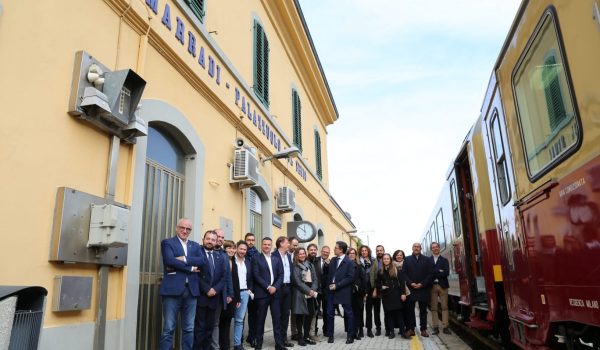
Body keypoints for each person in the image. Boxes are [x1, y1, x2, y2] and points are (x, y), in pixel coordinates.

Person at [158, 219, 203, 350]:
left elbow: (201, 261)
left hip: (191, 291)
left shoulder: (195, 245)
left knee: (189, 328)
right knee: (168, 328)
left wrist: (183, 259)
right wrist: (190, 268)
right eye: (182, 228)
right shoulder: (167, 243)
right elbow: (169, 260)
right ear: (177, 228)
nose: (185, 231)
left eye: (188, 229)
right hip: (172, 290)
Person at [194, 230, 229, 350]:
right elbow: (195, 275)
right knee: (199, 329)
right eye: (208, 239)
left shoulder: (219, 257)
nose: (210, 241)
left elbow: (224, 276)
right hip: (201, 297)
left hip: (214, 298)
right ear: (203, 239)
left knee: (209, 329)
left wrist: (215, 289)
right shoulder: (197, 254)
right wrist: (207, 289)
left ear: (216, 242)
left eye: (213, 240)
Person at [252, 237, 285, 350]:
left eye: (268, 244)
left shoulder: (276, 258)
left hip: (275, 294)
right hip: (262, 294)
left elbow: (281, 275)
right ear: (261, 245)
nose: (266, 246)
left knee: (277, 319)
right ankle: (259, 344)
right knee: (260, 319)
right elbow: (256, 275)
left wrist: (275, 287)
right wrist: (268, 286)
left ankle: (279, 344)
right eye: (264, 244)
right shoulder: (256, 258)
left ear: (271, 246)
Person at [325, 241, 355, 344]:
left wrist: (337, 285)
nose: (334, 249)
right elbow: (329, 275)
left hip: (343, 291)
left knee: (348, 314)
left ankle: (350, 336)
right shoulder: (333, 260)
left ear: (341, 249)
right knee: (329, 313)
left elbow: (350, 278)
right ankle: (330, 335)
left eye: (335, 248)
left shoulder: (350, 262)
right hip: (331, 291)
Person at [403, 242, 434, 337]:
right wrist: (410, 283)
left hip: (423, 289)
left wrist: (422, 284)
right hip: (411, 289)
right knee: (410, 310)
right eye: (415, 247)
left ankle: (423, 329)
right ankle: (411, 329)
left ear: (421, 248)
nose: (416, 248)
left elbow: (430, 274)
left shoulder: (427, 259)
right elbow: (404, 273)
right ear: (412, 248)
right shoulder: (407, 259)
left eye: (418, 247)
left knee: (423, 310)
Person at [376, 253, 408, 340]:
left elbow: (402, 283)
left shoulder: (396, 269)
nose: (386, 260)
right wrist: (381, 287)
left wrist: (403, 293)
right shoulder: (380, 271)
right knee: (389, 315)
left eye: (387, 259)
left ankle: (403, 332)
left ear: (390, 260)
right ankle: (391, 332)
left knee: (399, 314)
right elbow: (377, 283)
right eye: (384, 259)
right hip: (386, 295)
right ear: (382, 260)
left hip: (396, 295)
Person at [211, 228, 234, 350]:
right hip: (207, 294)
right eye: (218, 236)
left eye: (222, 237)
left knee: (216, 323)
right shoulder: (204, 251)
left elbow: (228, 277)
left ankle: (215, 347)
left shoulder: (224, 255)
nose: (220, 239)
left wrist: (230, 293)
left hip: (221, 295)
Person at [291, 247, 318, 346]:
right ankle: (300, 338)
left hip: (311, 292)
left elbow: (315, 279)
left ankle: (306, 336)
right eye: (300, 254)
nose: (302, 255)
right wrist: (308, 291)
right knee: (300, 315)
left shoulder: (310, 265)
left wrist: (313, 290)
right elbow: (297, 282)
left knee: (310, 315)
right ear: (296, 255)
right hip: (300, 292)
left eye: (303, 253)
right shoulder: (295, 266)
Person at [219, 240, 241, 350]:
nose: (231, 250)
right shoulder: (222, 260)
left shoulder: (234, 262)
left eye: (233, 248)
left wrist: (237, 298)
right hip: (223, 296)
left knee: (227, 322)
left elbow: (236, 281)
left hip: (232, 296)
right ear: (224, 249)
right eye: (229, 248)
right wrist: (227, 295)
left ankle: (226, 346)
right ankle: (222, 346)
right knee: (221, 322)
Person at [275, 236, 295, 348]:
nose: (289, 244)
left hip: (288, 288)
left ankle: (284, 339)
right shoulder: (274, 256)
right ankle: (278, 342)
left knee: (286, 315)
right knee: (277, 315)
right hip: (278, 289)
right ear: (281, 243)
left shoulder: (288, 256)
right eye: (288, 242)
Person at [233, 240, 253, 350]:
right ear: (236, 248)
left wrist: (249, 290)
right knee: (226, 319)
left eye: (244, 249)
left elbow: (250, 278)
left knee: (239, 320)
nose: (242, 251)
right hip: (232, 293)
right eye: (241, 249)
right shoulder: (231, 261)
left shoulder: (248, 262)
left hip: (244, 293)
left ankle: (237, 344)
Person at [430, 242, 451, 335]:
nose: (435, 249)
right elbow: (428, 273)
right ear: (431, 249)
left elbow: (446, 272)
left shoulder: (444, 260)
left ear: (439, 248)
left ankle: (445, 327)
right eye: (433, 247)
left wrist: (435, 272)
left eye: (436, 247)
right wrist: (439, 270)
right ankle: (435, 328)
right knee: (434, 308)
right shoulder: (428, 260)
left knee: (444, 307)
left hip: (443, 286)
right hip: (432, 286)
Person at [348, 248, 367, 340]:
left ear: (355, 255)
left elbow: (364, 279)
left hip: (358, 293)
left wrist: (364, 291)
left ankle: (358, 331)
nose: (352, 255)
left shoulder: (359, 266)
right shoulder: (344, 265)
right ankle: (350, 332)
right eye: (350, 253)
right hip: (347, 293)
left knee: (358, 313)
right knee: (349, 313)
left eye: (353, 253)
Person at [244, 233, 258, 347]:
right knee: (241, 316)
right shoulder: (241, 253)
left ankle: (252, 337)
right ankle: (239, 340)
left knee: (253, 315)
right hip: (242, 289)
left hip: (254, 290)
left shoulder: (257, 254)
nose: (250, 242)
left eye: (252, 240)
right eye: (248, 240)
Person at [359, 245, 376, 338]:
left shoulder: (373, 261)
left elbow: (376, 275)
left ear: (368, 251)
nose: (364, 252)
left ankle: (369, 330)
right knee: (360, 310)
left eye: (365, 250)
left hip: (370, 288)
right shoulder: (357, 261)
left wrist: (375, 289)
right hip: (360, 289)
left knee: (369, 311)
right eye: (362, 251)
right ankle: (360, 330)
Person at [313, 245, 330, 337]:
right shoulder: (315, 260)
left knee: (327, 311)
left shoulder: (331, 262)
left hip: (326, 291)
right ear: (321, 251)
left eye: (327, 252)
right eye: (324, 251)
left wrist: (328, 265)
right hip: (316, 290)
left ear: (329, 253)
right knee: (315, 311)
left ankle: (326, 330)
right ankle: (314, 330)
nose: (325, 253)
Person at [369, 245, 385, 336]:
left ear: (383, 251)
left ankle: (388, 328)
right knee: (376, 311)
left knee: (388, 310)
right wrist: (374, 289)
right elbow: (372, 276)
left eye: (381, 250)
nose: (379, 252)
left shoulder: (387, 260)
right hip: (376, 289)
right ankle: (378, 328)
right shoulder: (373, 262)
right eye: (378, 250)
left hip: (387, 290)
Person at [306, 243, 321, 341]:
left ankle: (312, 332)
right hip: (306, 291)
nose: (313, 251)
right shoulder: (305, 261)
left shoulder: (319, 261)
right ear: (308, 251)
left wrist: (315, 289)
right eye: (311, 250)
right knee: (307, 313)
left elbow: (317, 277)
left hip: (316, 291)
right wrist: (309, 290)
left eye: (315, 250)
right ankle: (305, 333)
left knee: (315, 312)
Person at [392, 249, 409, 336]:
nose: (399, 256)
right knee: (399, 311)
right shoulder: (392, 266)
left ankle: (407, 327)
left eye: (401, 255)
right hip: (396, 292)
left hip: (407, 290)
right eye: (397, 255)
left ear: (403, 256)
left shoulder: (407, 264)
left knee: (407, 310)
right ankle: (400, 327)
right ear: (395, 256)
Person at [288, 236, 300, 341]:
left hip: (296, 288)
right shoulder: (284, 255)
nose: (295, 247)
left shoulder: (298, 256)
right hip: (286, 288)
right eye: (294, 245)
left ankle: (294, 332)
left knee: (295, 312)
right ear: (288, 243)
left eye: (297, 245)